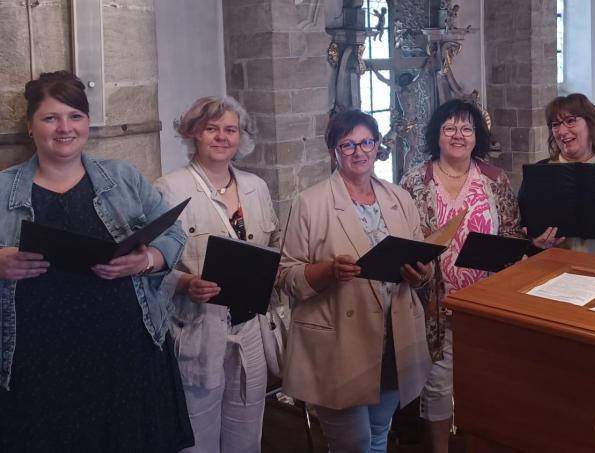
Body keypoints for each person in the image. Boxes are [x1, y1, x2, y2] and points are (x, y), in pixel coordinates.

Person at [0, 71, 193, 452]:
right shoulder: (3, 187)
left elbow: (173, 235)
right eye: (50, 117)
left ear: (88, 122)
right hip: (39, 358)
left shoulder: (122, 177)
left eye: (75, 116)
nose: (65, 128)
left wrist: (146, 260)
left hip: (125, 351)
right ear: (30, 125)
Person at [400, 99, 559, 453]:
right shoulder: (414, 182)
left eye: (467, 128)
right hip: (435, 303)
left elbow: (512, 234)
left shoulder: (494, 180)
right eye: (450, 128)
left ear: (477, 137)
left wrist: (530, 243)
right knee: (438, 386)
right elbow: (404, 239)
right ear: (437, 135)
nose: (458, 135)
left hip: (485, 302)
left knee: (488, 381)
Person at [279, 110, 432, 453]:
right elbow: (287, 275)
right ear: (333, 151)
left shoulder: (399, 198)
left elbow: (421, 256)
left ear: (377, 146)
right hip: (340, 341)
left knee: (379, 433)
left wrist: (423, 272)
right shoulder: (310, 203)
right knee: (352, 444)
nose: (359, 152)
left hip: (393, 336)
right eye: (347, 145)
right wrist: (329, 270)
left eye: (366, 142)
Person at [153, 96, 282, 453]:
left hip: (249, 328)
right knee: (198, 437)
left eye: (230, 130)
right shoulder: (169, 189)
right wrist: (184, 283)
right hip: (198, 327)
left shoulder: (256, 187)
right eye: (212, 129)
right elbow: (151, 266)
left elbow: (272, 246)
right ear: (194, 133)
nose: (222, 137)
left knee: (247, 433)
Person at [522, 93, 595, 256]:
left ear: (590, 123)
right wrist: (535, 243)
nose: (561, 131)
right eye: (555, 125)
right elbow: (521, 230)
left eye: (570, 121)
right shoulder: (538, 175)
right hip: (553, 266)